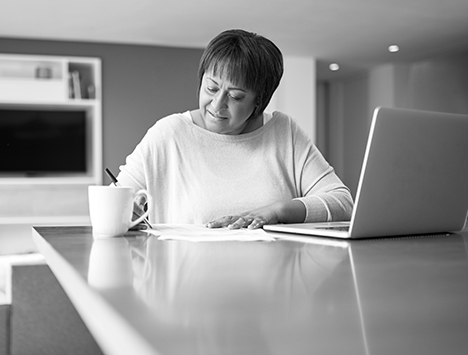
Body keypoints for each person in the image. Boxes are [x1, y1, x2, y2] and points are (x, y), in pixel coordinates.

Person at [116, 29, 353, 229]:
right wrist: (127, 215)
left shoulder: (284, 132)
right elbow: (115, 203)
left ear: (258, 102)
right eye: (211, 88)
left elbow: (343, 203)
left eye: (236, 96)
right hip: (189, 280)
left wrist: (276, 211)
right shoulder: (168, 134)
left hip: (273, 283)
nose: (217, 104)